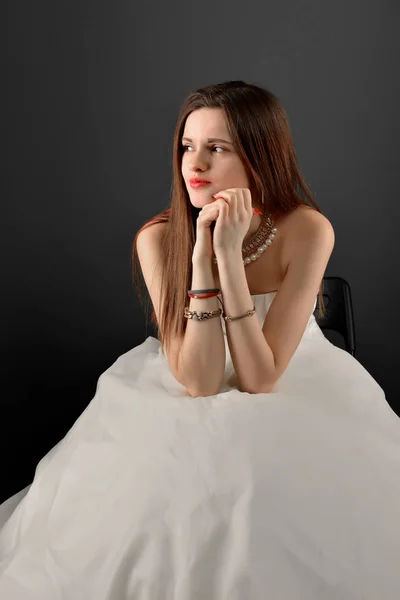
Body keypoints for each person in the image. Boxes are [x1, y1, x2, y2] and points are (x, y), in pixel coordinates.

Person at [0, 80, 399, 599]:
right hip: (191, 370)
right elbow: (202, 382)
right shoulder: (158, 238)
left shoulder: (307, 229)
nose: (196, 164)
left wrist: (230, 256)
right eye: (187, 147)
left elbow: (259, 379)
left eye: (217, 148)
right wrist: (200, 259)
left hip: (288, 373)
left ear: (260, 155)